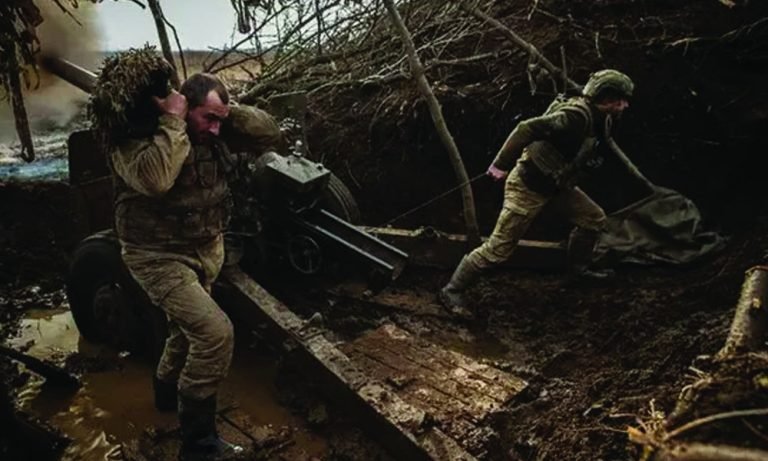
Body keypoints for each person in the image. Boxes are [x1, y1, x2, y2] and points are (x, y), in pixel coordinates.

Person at [109, 71, 280, 460]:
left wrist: (226, 113)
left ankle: (165, 395)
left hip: (203, 252)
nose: (215, 129)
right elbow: (156, 180)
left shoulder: (216, 132)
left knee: (185, 332)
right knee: (215, 333)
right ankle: (199, 444)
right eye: (208, 119)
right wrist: (173, 121)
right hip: (156, 256)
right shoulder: (135, 137)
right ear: (185, 109)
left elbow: (269, 133)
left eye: (220, 121)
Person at [439, 69, 634, 313]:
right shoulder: (574, 116)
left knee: (593, 218)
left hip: (556, 186)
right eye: (620, 101)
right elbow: (526, 128)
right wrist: (500, 164)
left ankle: (578, 272)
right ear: (606, 99)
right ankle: (452, 290)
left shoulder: (600, 118)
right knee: (498, 249)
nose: (625, 106)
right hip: (527, 186)